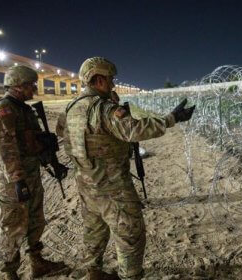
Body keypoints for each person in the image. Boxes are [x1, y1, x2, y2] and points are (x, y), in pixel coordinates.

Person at [59, 57, 195, 280]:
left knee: (94, 233)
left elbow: (64, 136)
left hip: (86, 184)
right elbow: (135, 130)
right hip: (112, 188)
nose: (112, 84)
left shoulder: (71, 107)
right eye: (110, 79)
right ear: (99, 79)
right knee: (130, 235)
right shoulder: (103, 109)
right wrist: (171, 119)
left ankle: (93, 273)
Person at [0, 65, 66, 280]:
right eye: (31, 84)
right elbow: (4, 148)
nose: (34, 88)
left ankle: (37, 262)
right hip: (11, 180)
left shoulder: (25, 109)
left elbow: (31, 143)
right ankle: (9, 272)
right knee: (12, 226)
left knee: (35, 219)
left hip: (29, 174)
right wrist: (17, 180)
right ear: (19, 85)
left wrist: (51, 160)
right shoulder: (3, 109)